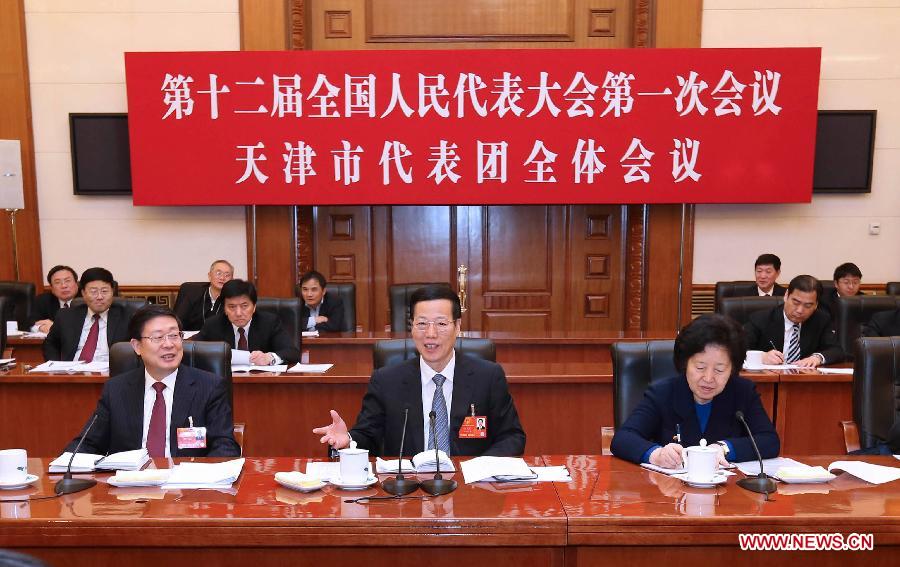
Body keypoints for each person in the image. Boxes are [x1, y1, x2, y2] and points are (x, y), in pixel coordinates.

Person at [313, 284, 525, 457]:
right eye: (422, 323)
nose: (430, 334)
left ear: (458, 327)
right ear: (411, 327)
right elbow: (369, 435)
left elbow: (512, 437)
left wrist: (478, 468)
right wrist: (347, 440)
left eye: (441, 323)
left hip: (471, 490)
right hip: (408, 493)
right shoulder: (387, 381)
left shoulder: (487, 377)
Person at [64, 305, 240, 457]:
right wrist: (65, 466)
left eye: (174, 335)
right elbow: (88, 443)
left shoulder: (209, 386)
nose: (169, 344)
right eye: (158, 337)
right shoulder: (116, 389)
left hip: (186, 487)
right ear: (137, 346)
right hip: (129, 489)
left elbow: (224, 445)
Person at [611, 314, 779, 467]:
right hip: (670, 493)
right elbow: (623, 438)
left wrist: (725, 448)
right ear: (685, 364)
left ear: (732, 370)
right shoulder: (663, 393)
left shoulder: (742, 392)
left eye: (719, 370)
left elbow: (770, 441)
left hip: (726, 492)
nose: (708, 378)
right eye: (700, 367)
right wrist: (657, 454)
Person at [192, 279, 300, 365]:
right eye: (232, 307)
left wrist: (269, 357)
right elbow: (192, 349)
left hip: (262, 383)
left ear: (254, 307)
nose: (238, 313)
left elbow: (292, 352)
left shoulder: (269, 322)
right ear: (224, 309)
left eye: (244, 306)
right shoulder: (213, 325)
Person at [744, 274, 844, 367]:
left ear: (816, 305)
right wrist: (761, 357)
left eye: (808, 305)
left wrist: (817, 358)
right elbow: (736, 349)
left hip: (804, 380)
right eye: (796, 302)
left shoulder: (822, 320)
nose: (800, 310)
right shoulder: (760, 319)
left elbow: (836, 350)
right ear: (786, 296)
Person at [42, 267, 130, 362]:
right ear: (83, 293)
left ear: (112, 292)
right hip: (72, 372)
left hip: (112, 373)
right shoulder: (66, 316)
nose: (99, 297)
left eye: (104, 291)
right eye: (93, 292)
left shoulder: (127, 317)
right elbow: (50, 344)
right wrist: (56, 366)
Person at [174, 259, 234, 331]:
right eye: (218, 273)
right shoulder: (191, 293)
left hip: (218, 340)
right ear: (209, 276)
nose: (222, 278)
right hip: (189, 339)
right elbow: (177, 322)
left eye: (227, 275)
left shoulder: (233, 299)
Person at [29, 265, 79, 334]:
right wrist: (40, 327)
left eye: (67, 281)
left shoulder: (86, 301)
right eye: (57, 282)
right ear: (52, 289)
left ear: (76, 284)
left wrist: (56, 327)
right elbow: (30, 322)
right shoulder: (42, 301)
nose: (64, 286)